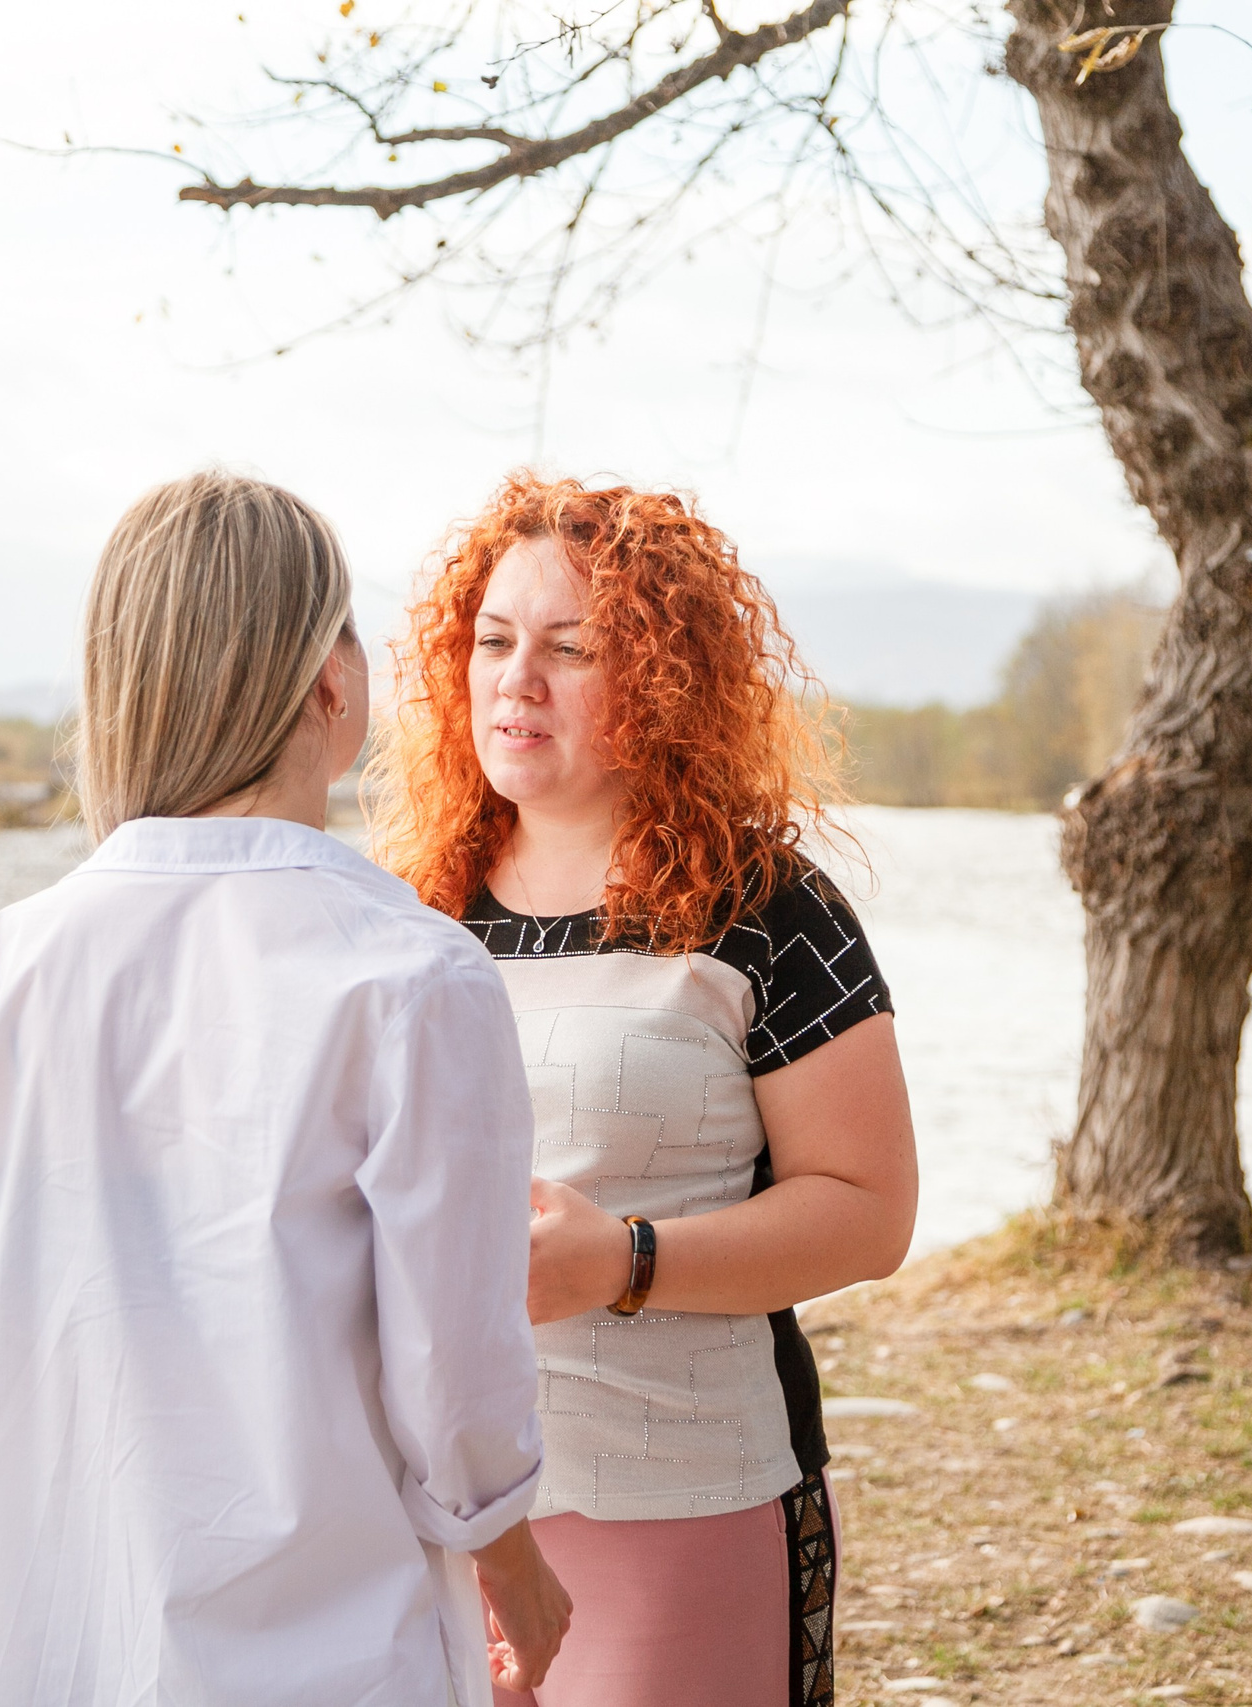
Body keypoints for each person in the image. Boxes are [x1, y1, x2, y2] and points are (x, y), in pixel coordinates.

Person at [0, 471, 571, 1706]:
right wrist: (515, 1567)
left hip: (35, 1635)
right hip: (316, 1645)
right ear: (328, 684)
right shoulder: (410, 975)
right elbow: (453, 1374)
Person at [371, 474, 922, 1707]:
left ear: (663, 682)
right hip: (430, 1520)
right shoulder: (406, 913)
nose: (517, 679)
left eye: (571, 649)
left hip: (688, 1506)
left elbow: (871, 1210)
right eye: (496, 641)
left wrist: (626, 1261)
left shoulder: (767, 908)